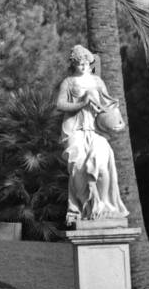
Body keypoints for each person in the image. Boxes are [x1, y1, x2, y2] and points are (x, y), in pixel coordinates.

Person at [54, 44, 128, 227]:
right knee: (78, 165)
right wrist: (82, 102)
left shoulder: (97, 81)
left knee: (101, 164)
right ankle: (82, 208)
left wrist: (118, 123)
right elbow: (60, 105)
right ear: (74, 64)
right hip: (76, 130)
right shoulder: (68, 82)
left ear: (90, 62)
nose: (83, 66)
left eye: (86, 63)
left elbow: (110, 107)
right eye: (79, 63)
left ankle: (103, 206)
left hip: (96, 130)